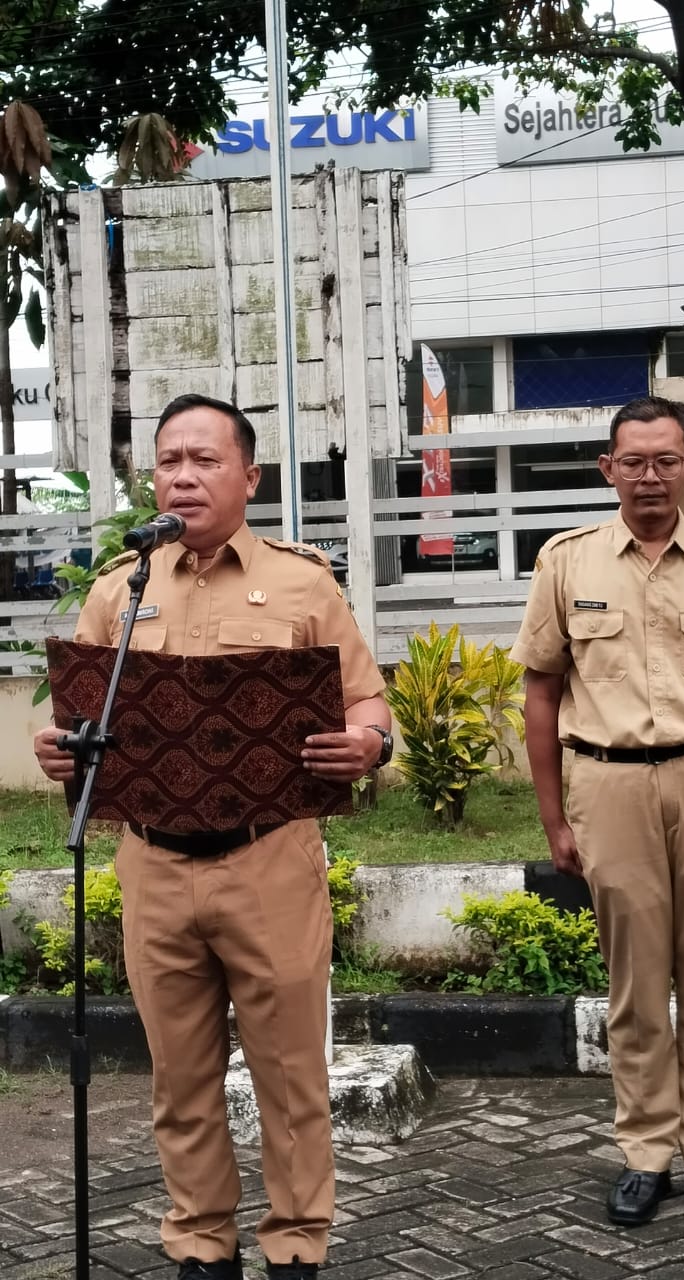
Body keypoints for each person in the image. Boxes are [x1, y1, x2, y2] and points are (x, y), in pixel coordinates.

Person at [35, 394, 393, 1280]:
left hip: (269, 857)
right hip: (153, 863)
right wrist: (60, 750)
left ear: (250, 477)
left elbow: (368, 700)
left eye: (204, 460)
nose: (183, 477)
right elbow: (82, 717)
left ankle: (297, 1245)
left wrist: (370, 743)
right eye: (168, 461)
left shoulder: (305, 582)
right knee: (180, 1076)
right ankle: (201, 1242)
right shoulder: (120, 591)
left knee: (290, 1077)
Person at [510, 395, 684, 1229]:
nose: (649, 477)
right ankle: (644, 1152)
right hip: (610, 785)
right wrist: (555, 819)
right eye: (632, 461)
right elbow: (540, 693)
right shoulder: (566, 563)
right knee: (635, 983)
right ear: (608, 470)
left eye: (666, 459)